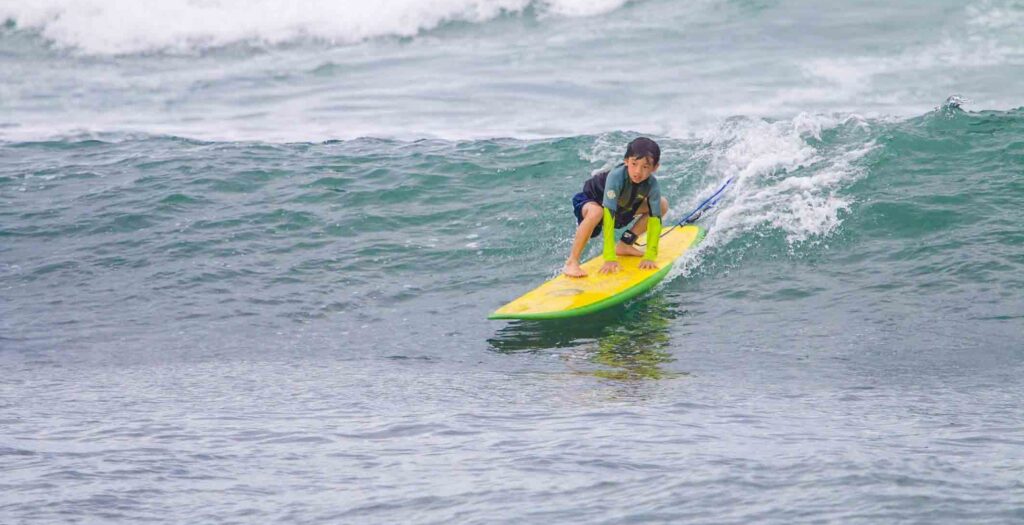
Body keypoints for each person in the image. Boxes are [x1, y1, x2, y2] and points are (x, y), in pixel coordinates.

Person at [563, 137, 670, 278]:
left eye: (645, 167)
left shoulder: (652, 185)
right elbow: (608, 214)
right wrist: (609, 258)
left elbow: (655, 220)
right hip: (592, 202)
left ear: (655, 167)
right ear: (626, 161)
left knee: (662, 205)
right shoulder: (616, 177)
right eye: (634, 164)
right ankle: (572, 262)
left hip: (622, 208)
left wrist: (650, 255)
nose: (638, 171)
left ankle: (625, 244)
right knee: (597, 212)